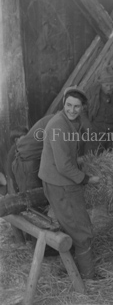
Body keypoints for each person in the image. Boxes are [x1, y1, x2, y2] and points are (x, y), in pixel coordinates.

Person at [39, 86, 100, 280]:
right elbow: (64, 166)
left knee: (69, 225)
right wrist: (87, 179)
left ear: (83, 107)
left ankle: (71, 269)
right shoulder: (59, 125)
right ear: (63, 104)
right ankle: (88, 278)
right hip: (61, 184)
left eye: (77, 106)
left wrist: (80, 161)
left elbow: (65, 155)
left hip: (56, 181)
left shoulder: (71, 122)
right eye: (68, 105)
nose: (72, 110)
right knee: (81, 230)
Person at [84, 67, 113, 152]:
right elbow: (82, 111)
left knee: (112, 162)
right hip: (95, 135)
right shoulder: (91, 93)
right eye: (106, 85)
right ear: (100, 83)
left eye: (112, 85)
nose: (109, 88)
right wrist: (88, 128)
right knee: (93, 160)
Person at [12, 115, 54, 193]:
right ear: (16, 140)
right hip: (36, 194)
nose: (30, 140)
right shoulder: (20, 156)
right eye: (26, 137)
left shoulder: (16, 159)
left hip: (27, 195)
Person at [6, 126, 28, 194]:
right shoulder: (13, 152)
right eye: (25, 137)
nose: (28, 139)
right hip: (19, 184)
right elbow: (10, 171)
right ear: (16, 140)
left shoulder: (25, 147)